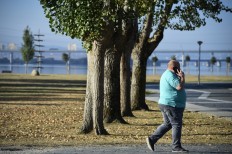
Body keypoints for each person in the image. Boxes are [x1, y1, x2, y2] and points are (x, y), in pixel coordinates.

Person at [146, 60, 188, 153]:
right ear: (174, 67)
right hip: (172, 104)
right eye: (178, 67)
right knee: (176, 124)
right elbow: (179, 87)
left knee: (167, 124)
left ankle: (152, 139)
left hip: (167, 103)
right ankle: (176, 147)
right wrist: (182, 77)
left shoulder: (169, 74)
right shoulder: (170, 75)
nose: (180, 69)